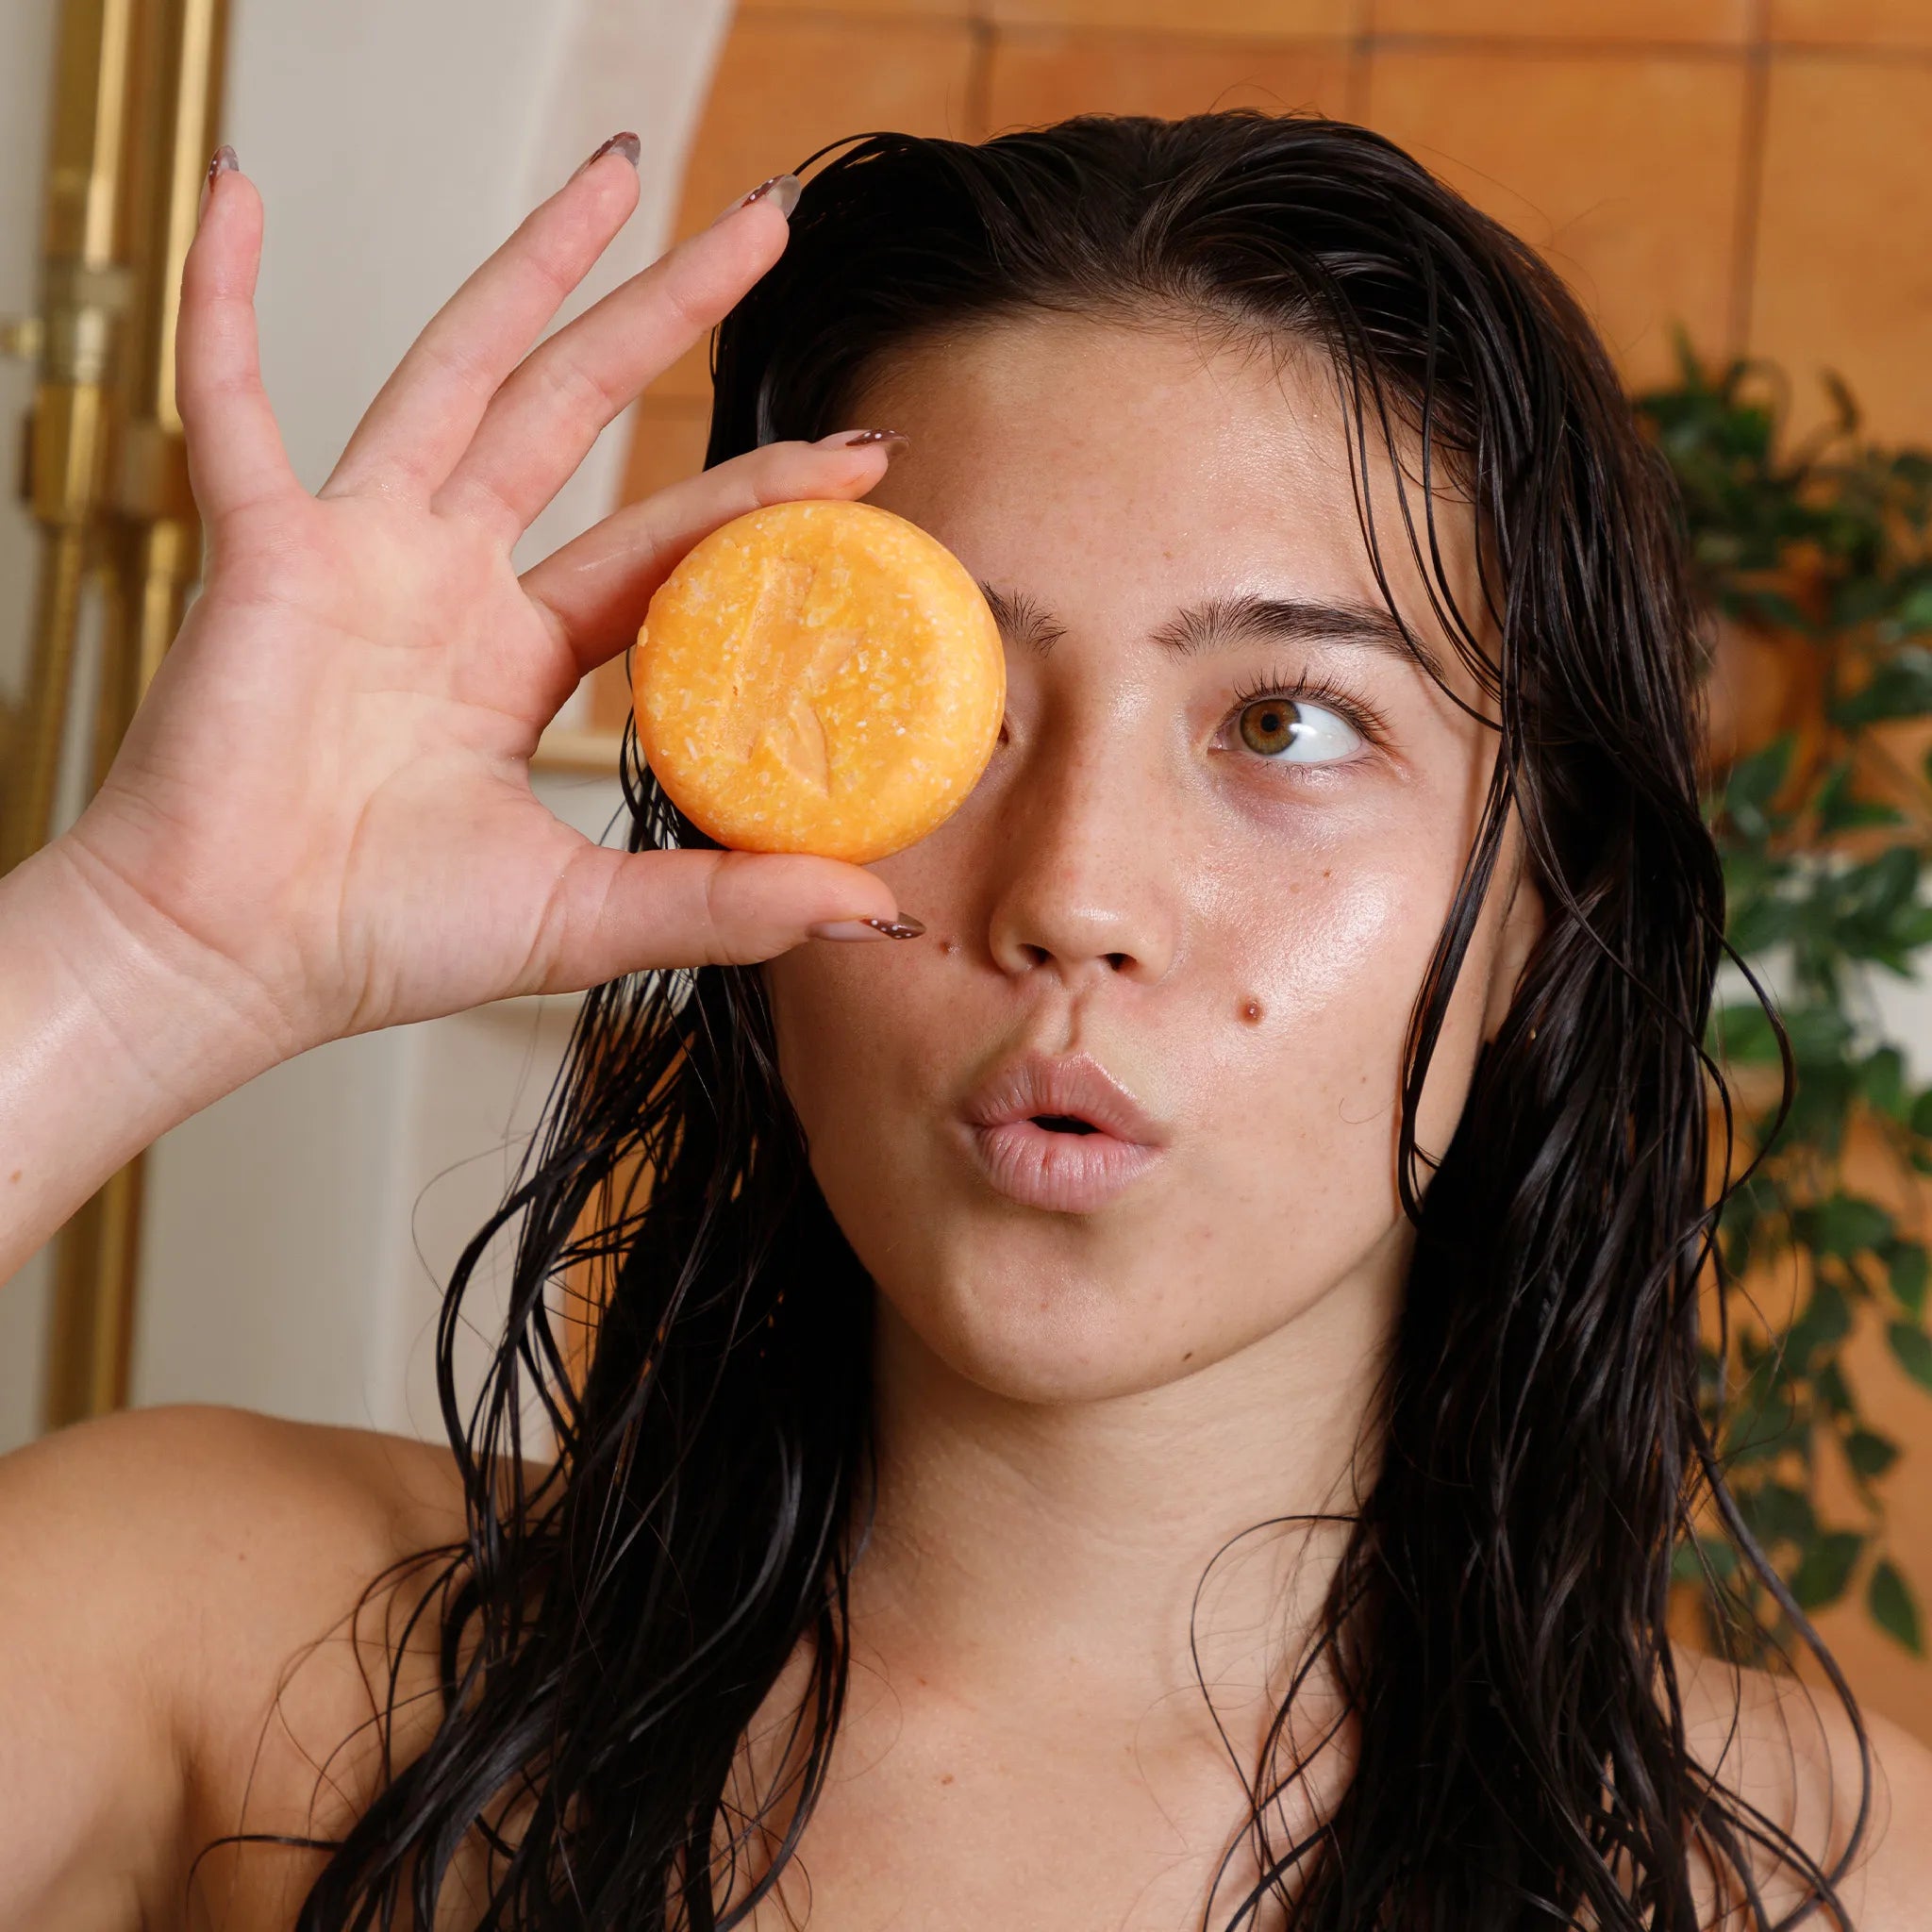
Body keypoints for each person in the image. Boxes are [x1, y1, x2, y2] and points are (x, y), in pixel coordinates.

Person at [1, 108, 1927, 1932]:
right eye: (934, 715)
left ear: (1545, 909)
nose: (1070, 892)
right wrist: (145, 957)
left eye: (1285, 723)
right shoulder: (216, 1634)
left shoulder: (1853, 1877)